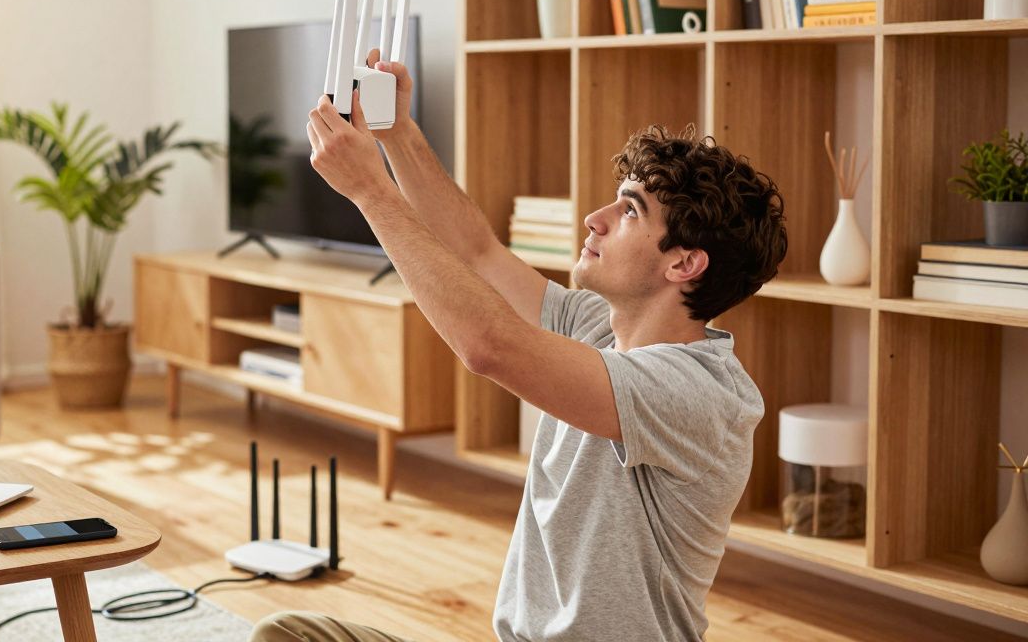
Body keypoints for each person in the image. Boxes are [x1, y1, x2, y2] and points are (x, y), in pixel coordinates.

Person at [250, 48, 788, 642]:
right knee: (286, 634)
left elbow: (491, 348)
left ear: (685, 263)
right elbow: (477, 252)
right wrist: (397, 134)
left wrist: (371, 193)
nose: (595, 218)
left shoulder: (700, 394)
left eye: (630, 211)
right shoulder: (596, 326)